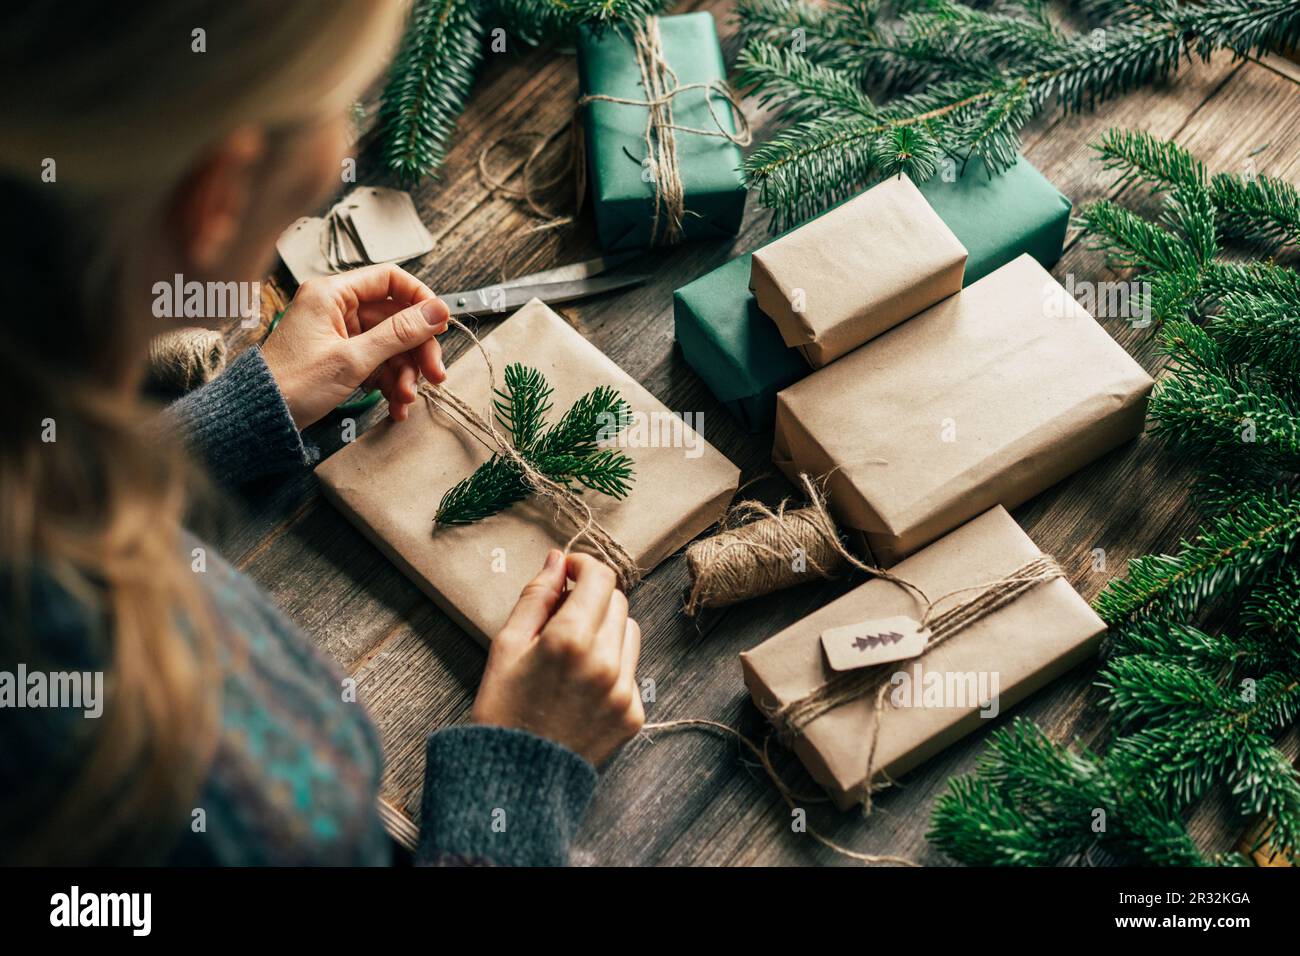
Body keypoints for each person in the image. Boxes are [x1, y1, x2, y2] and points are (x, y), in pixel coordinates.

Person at [0, 0, 643, 865]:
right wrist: (525, 767)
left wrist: (247, 409)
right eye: (345, 96)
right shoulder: (230, 799)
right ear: (217, 197)